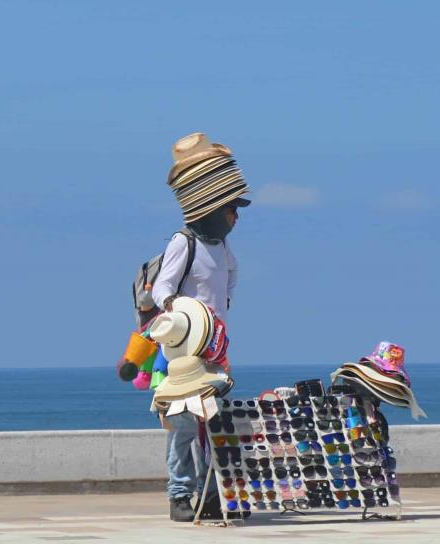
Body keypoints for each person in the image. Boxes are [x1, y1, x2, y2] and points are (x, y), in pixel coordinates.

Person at [151, 133, 251, 522]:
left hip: (216, 351)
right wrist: (178, 309)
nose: (236, 217)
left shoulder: (224, 251)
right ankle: (179, 493)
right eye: (231, 209)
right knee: (183, 426)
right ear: (212, 209)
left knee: (214, 425)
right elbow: (163, 287)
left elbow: (227, 294)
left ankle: (211, 494)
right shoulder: (184, 242)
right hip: (182, 352)